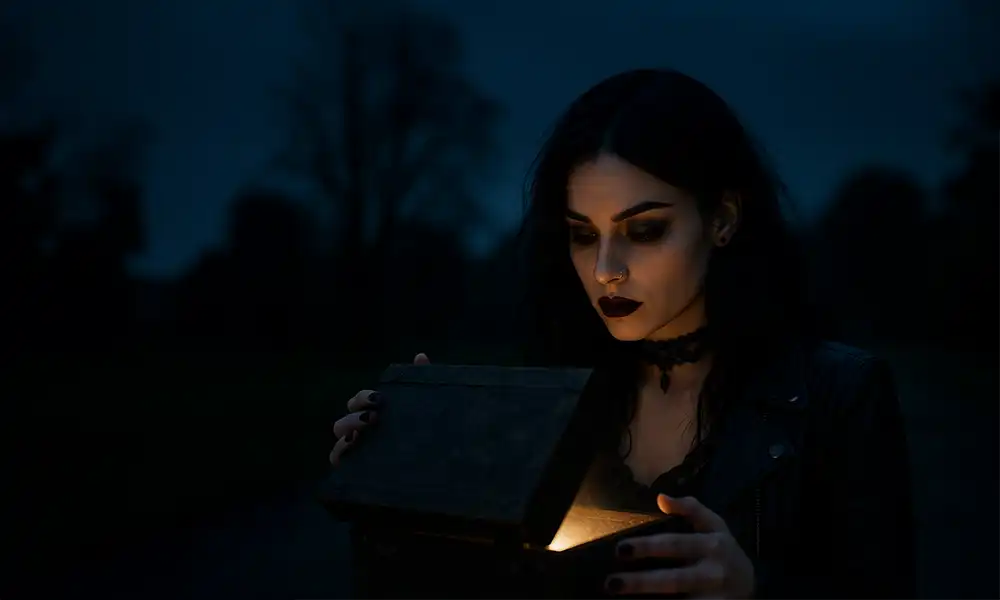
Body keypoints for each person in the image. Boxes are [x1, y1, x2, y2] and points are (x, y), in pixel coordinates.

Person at [328, 69, 916, 599]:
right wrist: (412, 476)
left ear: (723, 219)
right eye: (583, 235)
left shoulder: (836, 394)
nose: (606, 267)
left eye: (646, 229)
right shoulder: (550, 390)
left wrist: (753, 591)